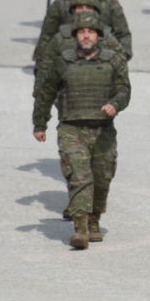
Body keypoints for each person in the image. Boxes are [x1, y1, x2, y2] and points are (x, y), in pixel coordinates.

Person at [32, 13, 131, 251]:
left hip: (103, 130)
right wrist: (40, 123)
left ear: (98, 36)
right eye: (81, 31)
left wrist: (115, 105)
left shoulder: (113, 61)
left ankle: (94, 218)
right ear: (76, 35)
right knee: (79, 177)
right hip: (71, 128)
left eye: (91, 31)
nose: (86, 35)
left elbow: (124, 90)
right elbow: (45, 92)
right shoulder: (63, 62)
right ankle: (81, 228)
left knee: (102, 177)